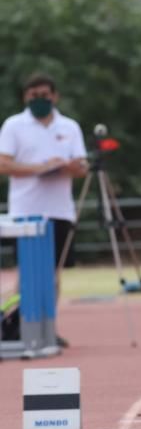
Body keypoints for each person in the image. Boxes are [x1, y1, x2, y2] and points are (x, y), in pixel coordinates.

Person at [0, 74, 89, 337]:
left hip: (59, 210)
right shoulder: (14, 125)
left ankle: (48, 328)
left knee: (53, 273)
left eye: (44, 95)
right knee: (27, 275)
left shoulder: (69, 127)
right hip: (25, 212)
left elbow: (82, 166)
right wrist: (40, 168)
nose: (39, 100)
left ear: (55, 96)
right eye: (33, 96)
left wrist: (67, 167)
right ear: (25, 98)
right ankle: (15, 323)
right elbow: (3, 164)